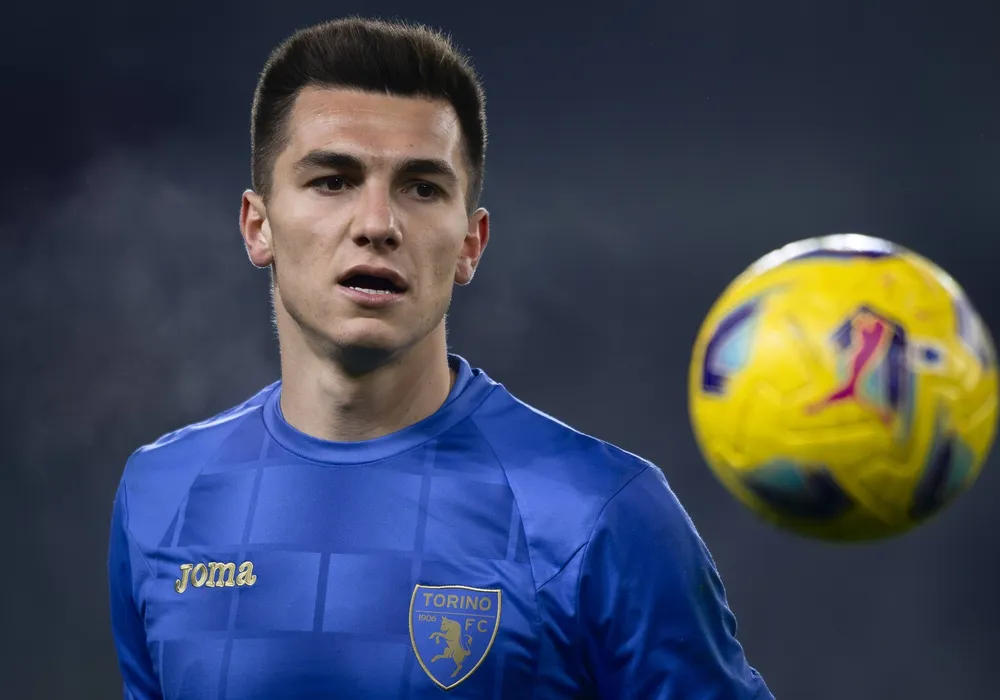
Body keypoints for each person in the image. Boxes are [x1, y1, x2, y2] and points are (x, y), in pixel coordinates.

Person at [108, 15, 775, 699]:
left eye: (422, 187)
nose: (377, 224)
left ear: (469, 245)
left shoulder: (599, 514)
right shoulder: (162, 494)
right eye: (333, 180)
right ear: (259, 227)